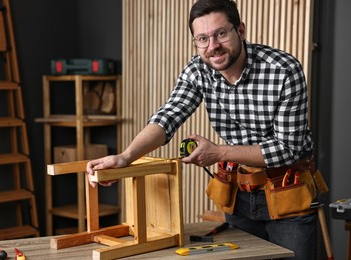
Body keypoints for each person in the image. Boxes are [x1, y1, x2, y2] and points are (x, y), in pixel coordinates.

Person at [86, 0, 317, 259]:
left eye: (221, 33)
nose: (213, 46)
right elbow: (168, 117)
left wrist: (218, 152)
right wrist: (125, 157)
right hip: (238, 196)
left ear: (240, 30)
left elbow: (286, 150)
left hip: (288, 195)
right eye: (202, 39)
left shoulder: (284, 70)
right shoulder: (198, 69)